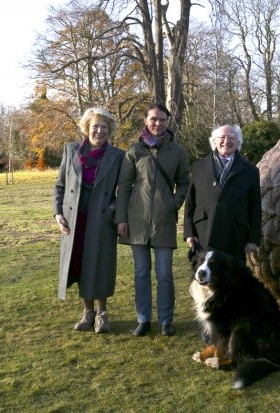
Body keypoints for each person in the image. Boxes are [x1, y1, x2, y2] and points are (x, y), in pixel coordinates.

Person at [116, 103, 190, 337]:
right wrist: (121, 219)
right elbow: (124, 186)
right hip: (136, 222)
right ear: (146, 121)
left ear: (168, 123)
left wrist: (174, 204)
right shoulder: (134, 150)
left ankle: (166, 320)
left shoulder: (177, 151)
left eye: (162, 120)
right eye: (153, 119)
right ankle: (144, 319)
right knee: (140, 273)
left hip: (164, 222)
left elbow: (185, 183)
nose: (157, 123)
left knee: (165, 274)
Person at [53, 107, 125, 334]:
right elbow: (60, 185)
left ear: (110, 130)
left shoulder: (118, 156)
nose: (100, 131)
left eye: (104, 127)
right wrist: (58, 213)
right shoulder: (70, 150)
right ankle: (88, 313)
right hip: (74, 219)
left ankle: (102, 314)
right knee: (80, 264)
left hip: (102, 219)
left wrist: (115, 208)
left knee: (100, 264)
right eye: (95, 126)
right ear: (87, 128)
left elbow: (124, 188)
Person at [184, 124, 262, 263]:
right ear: (214, 141)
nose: (226, 141)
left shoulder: (250, 171)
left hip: (235, 236)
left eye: (232, 137)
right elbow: (190, 202)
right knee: (205, 280)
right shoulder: (199, 167)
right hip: (204, 233)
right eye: (222, 137)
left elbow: (255, 208)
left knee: (232, 279)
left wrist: (253, 239)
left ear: (238, 142)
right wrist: (189, 232)